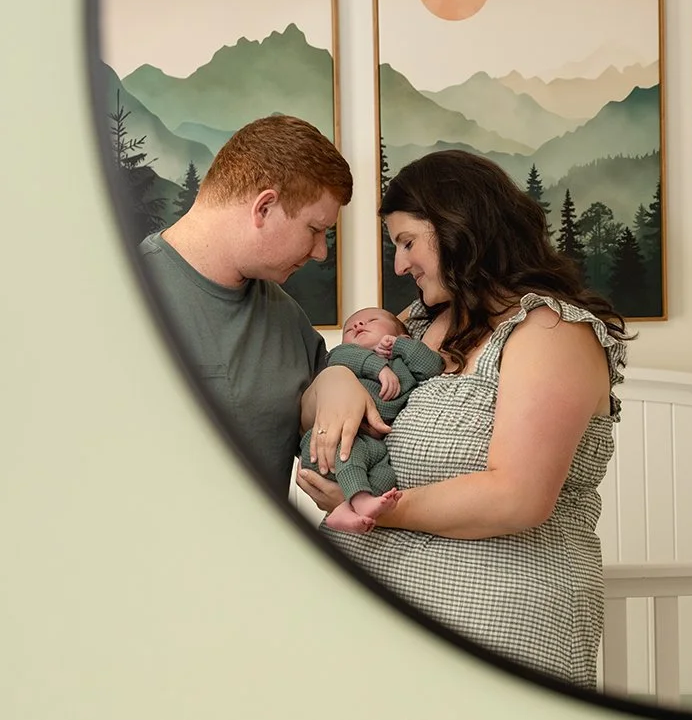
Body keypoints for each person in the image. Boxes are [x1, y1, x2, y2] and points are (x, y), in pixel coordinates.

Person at [296, 149, 633, 689]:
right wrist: (335, 381)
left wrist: (370, 509)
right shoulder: (418, 321)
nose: (400, 266)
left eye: (408, 242)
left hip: (496, 621)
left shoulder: (551, 333)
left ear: (458, 227)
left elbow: (517, 497)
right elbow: (317, 405)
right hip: (377, 627)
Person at [136, 114, 389, 499]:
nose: (321, 252)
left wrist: (339, 379)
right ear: (264, 208)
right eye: (315, 230)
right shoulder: (122, 292)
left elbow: (323, 426)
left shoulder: (289, 321)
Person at [298, 306, 445, 532]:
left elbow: (432, 366)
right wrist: (378, 368)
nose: (357, 325)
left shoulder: (404, 365)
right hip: (332, 442)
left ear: (402, 335)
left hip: (373, 444)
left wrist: (399, 345)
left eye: (371, 320)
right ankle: (360, 500)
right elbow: (340, 355)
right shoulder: (345, 357)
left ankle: (347, 509)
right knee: (349, 450)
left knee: (386, 478)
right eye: (350, 328)